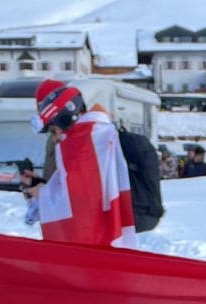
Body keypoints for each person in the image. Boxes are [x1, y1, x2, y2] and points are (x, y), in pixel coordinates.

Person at [22, 80, 135, 246]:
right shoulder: (96, 133)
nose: (55, 138)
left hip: (95, 238)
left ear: (65, 118)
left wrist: (41, 192)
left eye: (53, 131)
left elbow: (80, 200)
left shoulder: (85, 142)